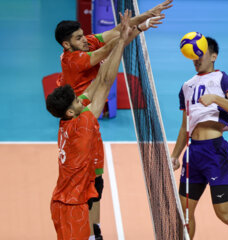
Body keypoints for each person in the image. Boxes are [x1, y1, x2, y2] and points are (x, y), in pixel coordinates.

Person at [54, 1, 172, 238]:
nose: (85, 40)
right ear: (67, 45)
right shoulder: (75, 60)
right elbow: (106, 52)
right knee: (87, 182)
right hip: (83, 116)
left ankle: (94, 229)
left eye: (83, 35)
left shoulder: (84, 42)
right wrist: (135, 30)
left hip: (90, 120)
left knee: (97, 181)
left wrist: (145, 18)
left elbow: (116, 32)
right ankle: (89, 231)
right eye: (78, 38)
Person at [47, 10, 132, 240]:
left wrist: (126, 37)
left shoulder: (68, 119)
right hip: (73, 206)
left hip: (60, 201)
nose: (82, 99)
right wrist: (122, 41)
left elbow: (97, 83)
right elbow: (104, 82)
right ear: (72, 111)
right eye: (78, 100)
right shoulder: (82, 124)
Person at [171, 37, 228, 240]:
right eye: (193, 55)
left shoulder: (224, 80)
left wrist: (215, 98)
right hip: (193, 153)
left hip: (215, 152)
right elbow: (184, 126)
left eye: (201, 53)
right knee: (185, 214)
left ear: (213, 56)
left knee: (226, 215)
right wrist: (175, 155)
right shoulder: (186, 86)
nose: (196, 58)